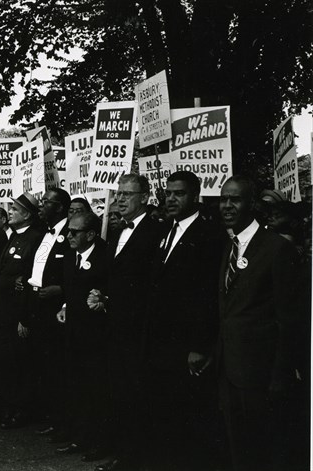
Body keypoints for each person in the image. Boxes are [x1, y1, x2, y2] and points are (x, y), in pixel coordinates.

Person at [218, 176, 301, 471]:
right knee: (240, 450)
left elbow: (291, 319)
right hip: (230, 372)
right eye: (224, 199)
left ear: (252, 204)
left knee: (267, 451)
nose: (227, 205)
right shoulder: (229, 247)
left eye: (235, 199)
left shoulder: (277, 249)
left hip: (262, 375)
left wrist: (281, 375)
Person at [144, 171, 224, 470]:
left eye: (179, 193)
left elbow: (206, 296)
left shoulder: (209, 234)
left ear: (195, 195)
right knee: (166, 414)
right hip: (161, 342)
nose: (171, 199)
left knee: (190, 417)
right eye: (168, 193)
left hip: (186, 344)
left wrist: (199, 345)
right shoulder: (168, 230)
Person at [89, 174, 164, 471]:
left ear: (144, 197)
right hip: (116, 326)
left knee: (135, 393)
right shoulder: (118, 232)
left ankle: (135, 457)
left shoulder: (156, 230)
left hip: (138, 330)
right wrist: (103, 293)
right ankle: (123, 452)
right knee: (118, 391)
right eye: (118, 194)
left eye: (127, 194)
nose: (119, 199)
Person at [55, 212, 108, 460]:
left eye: (74, 232)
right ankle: (80, 436)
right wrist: (65, 307)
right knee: (75, 385)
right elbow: (70, 289)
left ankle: (97, 441)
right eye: (68, 230)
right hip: (73, 333)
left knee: (95, 389)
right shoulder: (69, 256)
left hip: (97, 336)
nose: (68, 236)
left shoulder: (106, 256)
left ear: (90, 234)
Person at [0, 193, 44, 428]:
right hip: (3, 313)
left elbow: (29, 280)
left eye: (15, 208)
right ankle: (8, 407)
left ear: (27, 215)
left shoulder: (35, 239)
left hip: (17, 315)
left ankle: (20, 411)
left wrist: (24, 317)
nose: (9, 212)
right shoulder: (12, 237)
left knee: (19, 365)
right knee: (6, 364)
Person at [24, 188, 71, 434]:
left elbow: (73, 274)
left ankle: (60, 421)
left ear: (60, 207)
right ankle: (47, 415)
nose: (40, 206)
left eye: (46, 202)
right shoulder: (44, 232)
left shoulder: (69, 231)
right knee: (41, 363)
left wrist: (61, 291)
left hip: (54, 308)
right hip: (36, 304)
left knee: (55, 365)